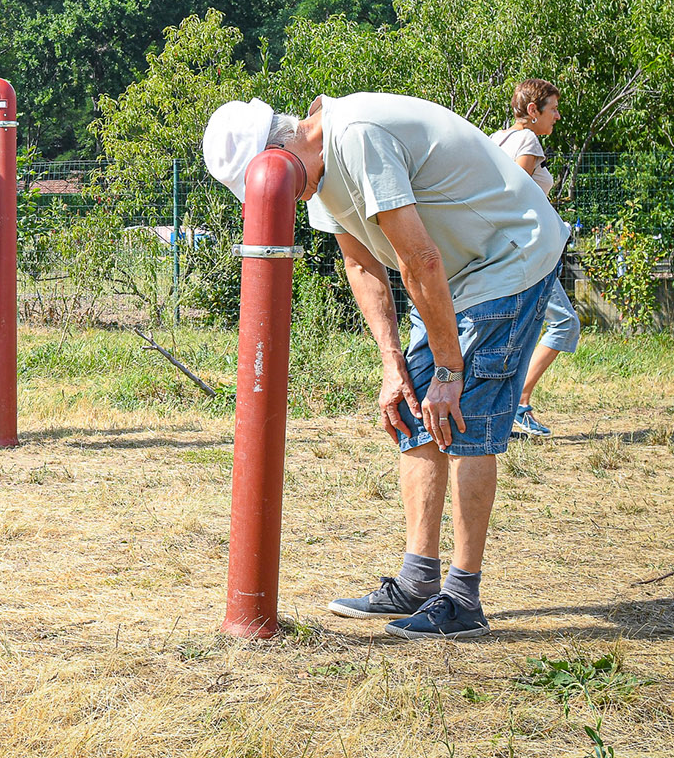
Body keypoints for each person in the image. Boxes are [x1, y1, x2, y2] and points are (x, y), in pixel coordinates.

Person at [204, 92, 566, 639]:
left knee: (466, 418)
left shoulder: (357, 137)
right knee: (415, 415)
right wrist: (394, 366)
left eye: (280, 180)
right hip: (456, 277)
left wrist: (448, 370)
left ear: (284, 145)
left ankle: (464, 599)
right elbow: (360, 263)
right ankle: (419, 579)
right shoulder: (316, 173)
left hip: (509, 257)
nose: (285, 193)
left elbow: (419, 258)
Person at [489, 79, 578, 438]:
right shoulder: (527, 140)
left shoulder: (496, 138)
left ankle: (499, 407)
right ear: (532, 110)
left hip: (502, 249)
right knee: (565, 323)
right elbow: (514, 195)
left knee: (506, 330)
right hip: (526, 252)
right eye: (552, 108)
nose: (557, 116)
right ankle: (518, 405)